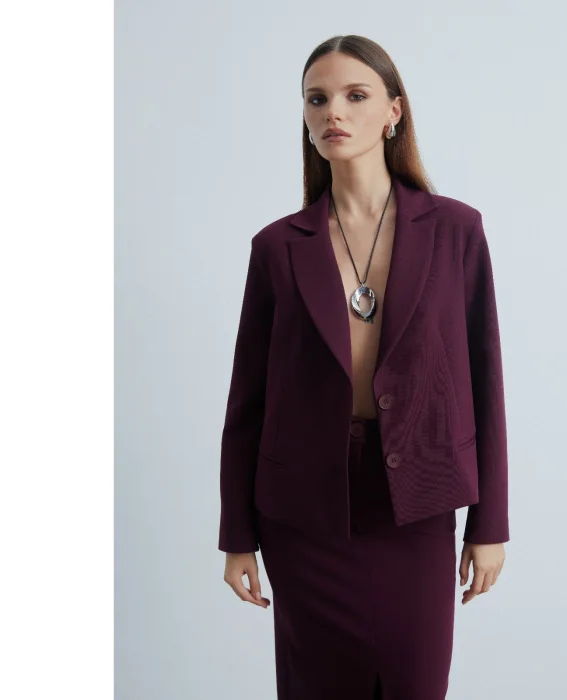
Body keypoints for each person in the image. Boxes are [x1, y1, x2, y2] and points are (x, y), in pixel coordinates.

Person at [218, 34, 509, 700]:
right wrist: (237, 536)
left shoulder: (455, 231)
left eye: (355, 95)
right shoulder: (277, 247)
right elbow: (248, 401)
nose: (334, 113)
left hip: (416, 506)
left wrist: (489, 523)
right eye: (317, 99)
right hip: (304, 516)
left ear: (393, 112)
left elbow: (485, 382)